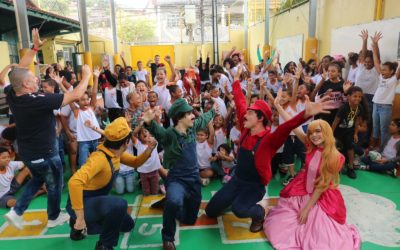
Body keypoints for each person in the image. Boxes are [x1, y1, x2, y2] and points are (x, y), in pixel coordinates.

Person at [205, 65, 333, 233]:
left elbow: (286, 127)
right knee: (210, 211)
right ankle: (233, 199)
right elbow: (240, 101)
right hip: (237, 180)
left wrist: (306, 114)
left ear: (260, 118)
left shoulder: (269, 139)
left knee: (239, 209)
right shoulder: (245, 130)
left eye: (250, 113)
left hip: (254, 186)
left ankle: (259, 213)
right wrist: (235, 81)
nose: (245, 115)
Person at [4, 28, 92, 230]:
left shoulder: (12, 93)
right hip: (45, 153)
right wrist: (86, 75)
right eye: (33, 79)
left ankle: (16, 212)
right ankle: (53, 217)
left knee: (38, 178)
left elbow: (19, 70)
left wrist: (35, 48)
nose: (37, 79)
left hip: (28, 153)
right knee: (54, 184)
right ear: (26, 85)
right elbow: (76, 95)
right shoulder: (38, 100)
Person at [264, 119, 361, 250]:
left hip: (320, 197)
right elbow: (294, 126)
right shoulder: (311, 146)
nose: (313, 135)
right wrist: (280, 107)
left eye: (318, 131)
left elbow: (321, 186)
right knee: (279, 225)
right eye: (310, 133)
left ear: (326, 132)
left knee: (322, 239)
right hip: (303, 190)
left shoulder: (335, 157)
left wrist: (306, 208)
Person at [67, 117, 157, 250]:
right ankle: (104, 245)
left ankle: (77, 226)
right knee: (119, 204)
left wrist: (149, 149)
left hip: (95, 200)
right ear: (126, 142)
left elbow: (135, 162)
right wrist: (80, 217)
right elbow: (74, 182)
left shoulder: (115, 152)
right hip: (82, 201)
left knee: (128, 225)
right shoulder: (100, 158)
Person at [142, 98, 216, 250]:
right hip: (177, 179)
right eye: (189, 114)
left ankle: (168, 202)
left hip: (194, 179)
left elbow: (204, 119)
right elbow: (159, 133)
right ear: (179, 117)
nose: (193, 116)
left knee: (189, 219)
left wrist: (214, 110)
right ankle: (167, 238)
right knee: (175, 201)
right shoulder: (170, 134)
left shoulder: (192, 127)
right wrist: (149, 122)